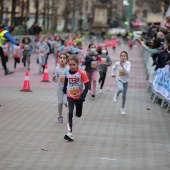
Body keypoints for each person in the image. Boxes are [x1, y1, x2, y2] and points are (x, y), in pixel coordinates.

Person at [63, 54, 89, 141]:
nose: (72, 66)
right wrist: (64, 89)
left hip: (79, 97)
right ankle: (70, 133)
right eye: (70, 65)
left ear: (77, 64)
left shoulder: (81, 73)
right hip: (70, 96)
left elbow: (87, 85)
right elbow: (66, 81)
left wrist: (83, 95)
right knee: (69, 113)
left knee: (78, 114)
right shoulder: (66, 72)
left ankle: (77, 112)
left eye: (74, 65)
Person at [52, 53, 69, 123]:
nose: (62, 59)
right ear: (59, 59)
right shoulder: (57, 68)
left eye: (64, 58)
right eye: (61, 58)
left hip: (67, 88)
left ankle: (70, 113)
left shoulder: (68, 68)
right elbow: (55, 80)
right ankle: (60, 116)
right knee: (60, 102)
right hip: (59, 87)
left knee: (65, 102)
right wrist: (54, 78)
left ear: (67, 60)